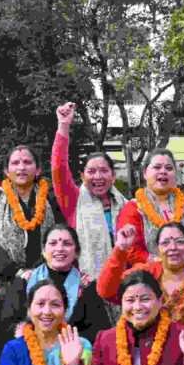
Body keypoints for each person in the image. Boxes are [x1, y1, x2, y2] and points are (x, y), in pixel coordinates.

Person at [0, 225, 111, 355]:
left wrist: (66, 344)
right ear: (43, 251)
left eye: (67, 244)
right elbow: (6, 328)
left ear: (77, 252)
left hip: (72, 357)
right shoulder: (25, 282)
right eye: (53, 243)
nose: (59, 248)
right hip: (30, 355)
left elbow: (98, 333)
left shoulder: (86, 287)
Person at [97, 221, 184, 327]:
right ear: (158, 249)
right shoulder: (146, 273)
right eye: (165, 243)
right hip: (149, 347)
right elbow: (106, 291)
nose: (173, 247)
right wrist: (121, 248)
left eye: (179, 242)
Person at [50, 102, 129, 279]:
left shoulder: (127, 206)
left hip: (125, 282)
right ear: (82, 176)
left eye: (104, 171)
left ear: (113, 176)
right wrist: (63, 125)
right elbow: (58, 168)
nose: (98, 176)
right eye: (91, 171)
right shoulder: (74, 201)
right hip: (87, 283)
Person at [0, 145, 64, 290]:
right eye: (15, 163)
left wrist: (39, 269)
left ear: (38, 170)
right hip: (6, 283)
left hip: (47, 278)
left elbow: (61, 236)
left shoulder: (50, 200)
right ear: (6, 171)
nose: (21, 167)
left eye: (27, 162)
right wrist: (17, 272)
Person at [115, 148, 184, 263]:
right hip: (148, 272)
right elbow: (130, 249)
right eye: (157, 167)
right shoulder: (134, 208)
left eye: (169, 168)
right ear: (145, 173)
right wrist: (163, 264)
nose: (163, 171)